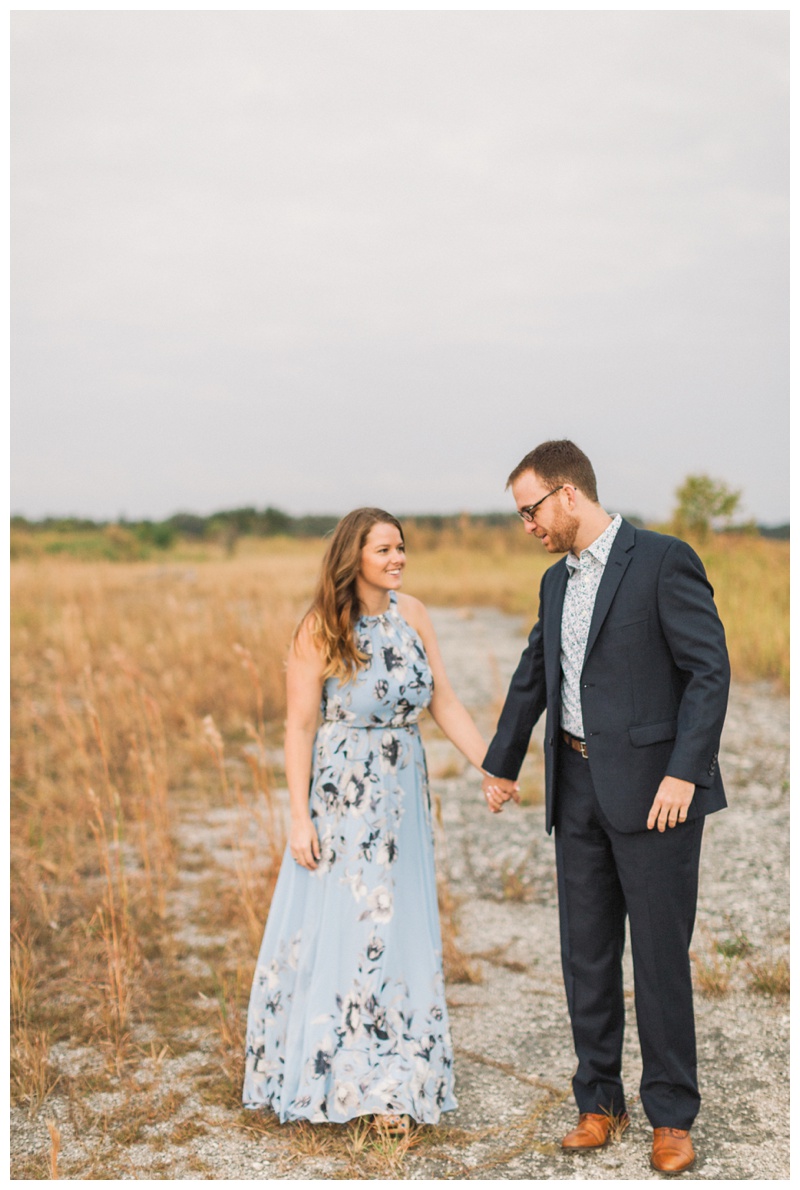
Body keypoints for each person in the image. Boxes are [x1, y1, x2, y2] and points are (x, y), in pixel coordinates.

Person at [482, 441, 729, 1175]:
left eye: (530, 509)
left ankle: (671, 1117)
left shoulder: (661, 560)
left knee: (657, 957)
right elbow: (536, 673)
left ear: (567, 495)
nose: (527, 525)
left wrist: (685, 774)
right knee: (585, 953)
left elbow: (708, 672)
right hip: (578, 787)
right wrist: (502, 762)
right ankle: (599, 1101)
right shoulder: (555, 583)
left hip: (657, 794)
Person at [243, 507, 501, 1131]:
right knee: (354, 926)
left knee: (404, 921)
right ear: (352, 556)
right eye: (384, 549)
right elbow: (299, 727)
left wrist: (489, 767)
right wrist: (299, 818)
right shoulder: (320, 628)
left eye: (401, 548)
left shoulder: (413, 615)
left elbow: (442, 698)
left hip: (403, 793)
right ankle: (354, 1078)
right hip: (343, 797)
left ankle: (399, 1075)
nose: (397, 558)